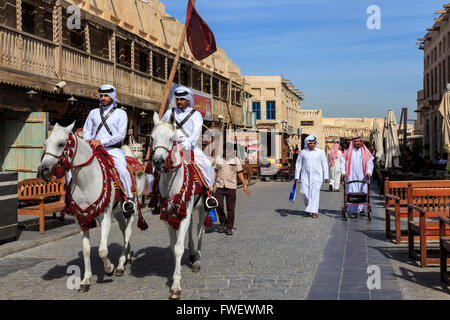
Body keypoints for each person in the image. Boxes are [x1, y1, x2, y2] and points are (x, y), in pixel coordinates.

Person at [82, 84, 135, 215]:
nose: (103, 98)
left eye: (106, 96)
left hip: (113, 150)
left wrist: (101, 141)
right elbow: (87, 130)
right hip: (93, 149)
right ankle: (74, 198)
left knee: (122, 170)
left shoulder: (121, 113)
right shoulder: (93, 113)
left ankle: (128, 199)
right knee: (76, 167)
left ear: (112, 97)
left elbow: (120, 135)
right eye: (101, 96)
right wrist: (88, 140)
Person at [161, 86, 215, 189]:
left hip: (190, 147)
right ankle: (154, 192)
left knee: (208, 166)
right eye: (177, 99)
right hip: (170, 146)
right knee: (154, 167)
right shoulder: (169, 113)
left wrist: (183, 145)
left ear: (188, 101)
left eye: (182, 99)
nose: (179, 101)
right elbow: (162, 128)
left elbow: (195, 135)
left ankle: (209, 193)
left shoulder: (196, 115)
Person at [214, 142, 250, 235]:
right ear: (224, 150)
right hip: (219, 185)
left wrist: (244, 185)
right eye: (227, 150)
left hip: (231, 187)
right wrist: (211, 183)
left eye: (231, 150)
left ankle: (229, 227)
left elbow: (240, 173)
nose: (229, 152)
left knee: (231, 208)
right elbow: (215, 172)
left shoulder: (235, 160)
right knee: (219, 205)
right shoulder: (218, 159)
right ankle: (222, 222)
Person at [294, 135, 329, 218]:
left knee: (314, 193)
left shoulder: (320, 152)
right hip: (305, 176)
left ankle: (314, 211)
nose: (312, 145)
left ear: (316, 143)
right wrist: (296, 176)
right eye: (310, 143)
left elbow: (325, 164)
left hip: (317, 176)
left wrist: (326, 176)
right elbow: (298, 164)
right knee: (303, 192)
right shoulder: (303, 152)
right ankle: (309, 208)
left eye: (313, 143)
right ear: (307, 144)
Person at [340, 136, 374, 218]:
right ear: (353, 143)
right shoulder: (348, 152)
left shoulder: (366, 153)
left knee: (363, 191)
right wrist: (343, 172)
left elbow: (370, 164)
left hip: (363, 176)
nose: (358, 143)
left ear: (362, 142)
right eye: (356, 141)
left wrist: (369, 172)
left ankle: (362, 210)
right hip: (351, 176)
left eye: (359, 141)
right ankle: (353, 211)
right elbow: (343, 163)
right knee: (352, 191)